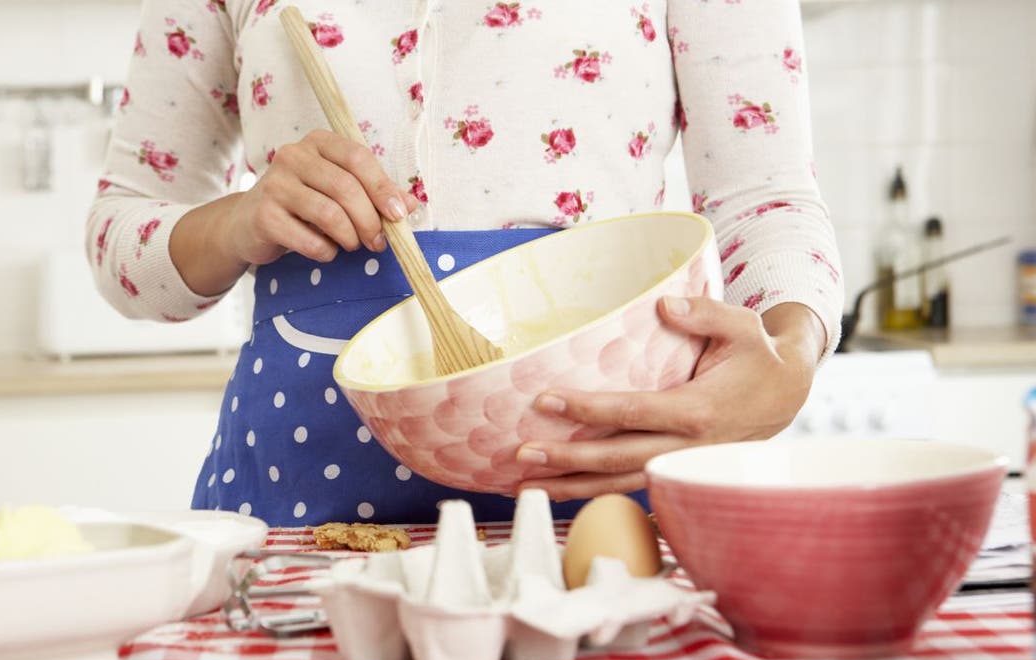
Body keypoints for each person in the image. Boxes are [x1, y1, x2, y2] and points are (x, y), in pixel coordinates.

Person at [87, 0, 844, 525]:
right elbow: (122, 232)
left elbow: (767, 198)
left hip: (592, 510)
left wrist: (790, 358)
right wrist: (241, 219)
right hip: (294, 521)